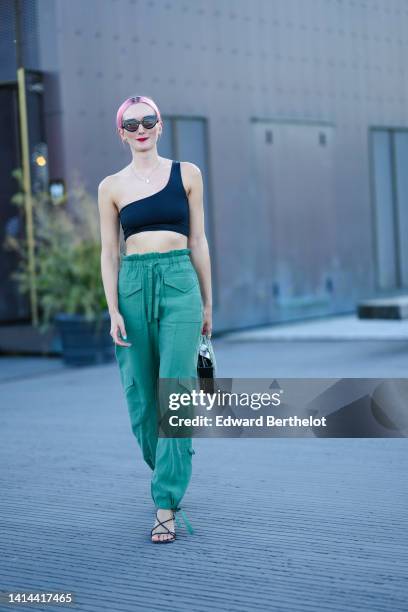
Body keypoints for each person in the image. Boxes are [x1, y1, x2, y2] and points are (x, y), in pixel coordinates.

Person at [97, 95, 212, 543]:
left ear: (160, 126)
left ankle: (164, 502)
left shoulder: (188, 174)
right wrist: (112, 310)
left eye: (148, 120)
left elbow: (199, 240)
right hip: (132, 286)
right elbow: (109, 253)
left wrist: (207, 304)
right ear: (121, 132)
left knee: (175, 391)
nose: (141, 128)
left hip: (181, 281)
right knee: (143, 399)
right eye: (131, 124)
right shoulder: (111, 186)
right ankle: (173, 455)